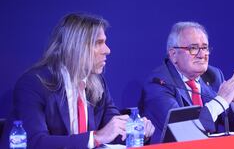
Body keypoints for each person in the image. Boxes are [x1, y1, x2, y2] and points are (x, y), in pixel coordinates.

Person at [0, 14, 155, 148]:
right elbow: (35, 143)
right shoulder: (34, 84)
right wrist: (96, 137)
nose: (107, 50)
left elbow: (113, 132)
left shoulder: (97, 83)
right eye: (98, 43)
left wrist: (137, 131)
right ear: (76, 47)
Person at [140, 21, 234, 144]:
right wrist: (221, 101)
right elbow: (184, 131)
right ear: (173, 54)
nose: (202, 55)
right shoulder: (158, 83)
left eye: (205, 47)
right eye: (193, 48)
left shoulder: (213, 75)